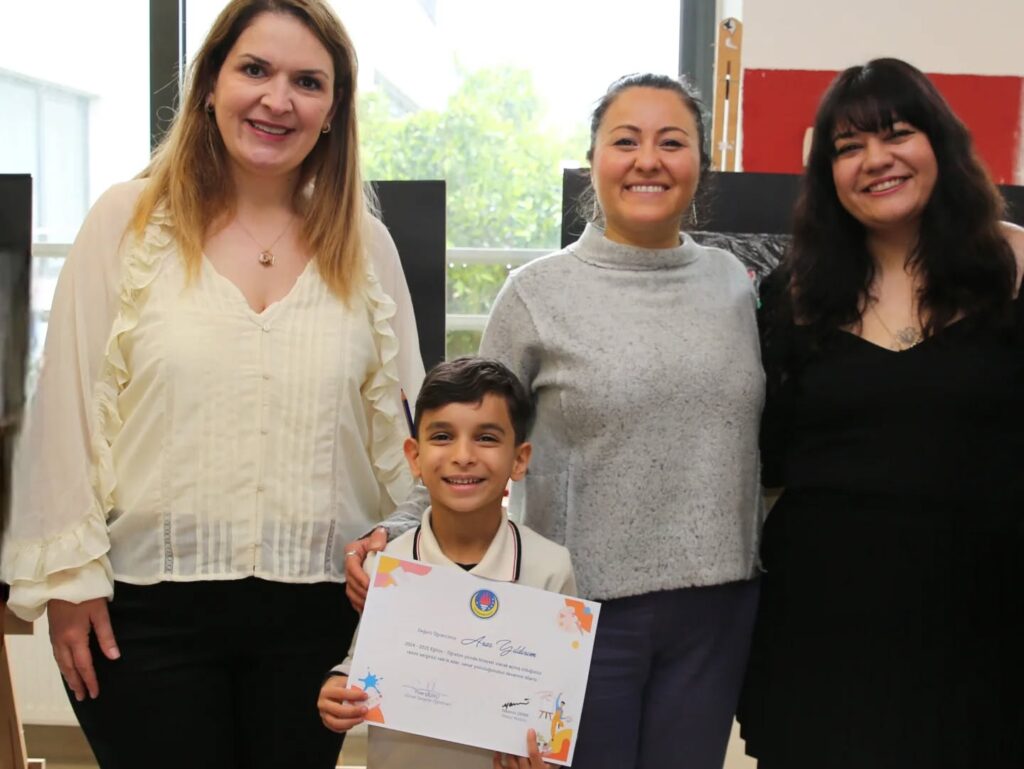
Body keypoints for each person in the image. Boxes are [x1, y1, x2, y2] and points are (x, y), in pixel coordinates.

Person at [0, 2, 423, 768]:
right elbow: (66, 412)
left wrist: (401, 549)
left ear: (333, 110)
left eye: (308, 82)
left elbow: (407, 436)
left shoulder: (367, 248)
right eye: (254, 69)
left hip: (315, 616)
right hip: (141, 614)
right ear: (209, 85)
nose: (277, 99)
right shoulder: (126, 222)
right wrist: (67, 578)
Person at [348, 74, 765, 769]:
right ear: (593, 159)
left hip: (718, 612)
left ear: (702, 162)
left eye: (672, 142)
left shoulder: (734, 284)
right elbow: (470, 434)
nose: (648, 160)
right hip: (579, 611)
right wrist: (396, 531)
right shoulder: (536, 293)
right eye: (625, 141)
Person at [737, 58, 1024, 769]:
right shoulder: (795, 290)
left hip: (985, 622)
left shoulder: (1015, 267)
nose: (875, 159)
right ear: (827, 174)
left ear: (939, 143)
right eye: (849, 146)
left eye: (896, 134)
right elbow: (766, 451)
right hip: (823, 626)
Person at [318, 357, 574, 769]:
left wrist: (546, 759)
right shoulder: (389, 566)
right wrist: (338, 686)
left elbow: (556, 711)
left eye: (486, 438)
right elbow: (360, 662)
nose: (463, 455)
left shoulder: (551, 568)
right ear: (414, 457)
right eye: (442, 436)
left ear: (519, 459)